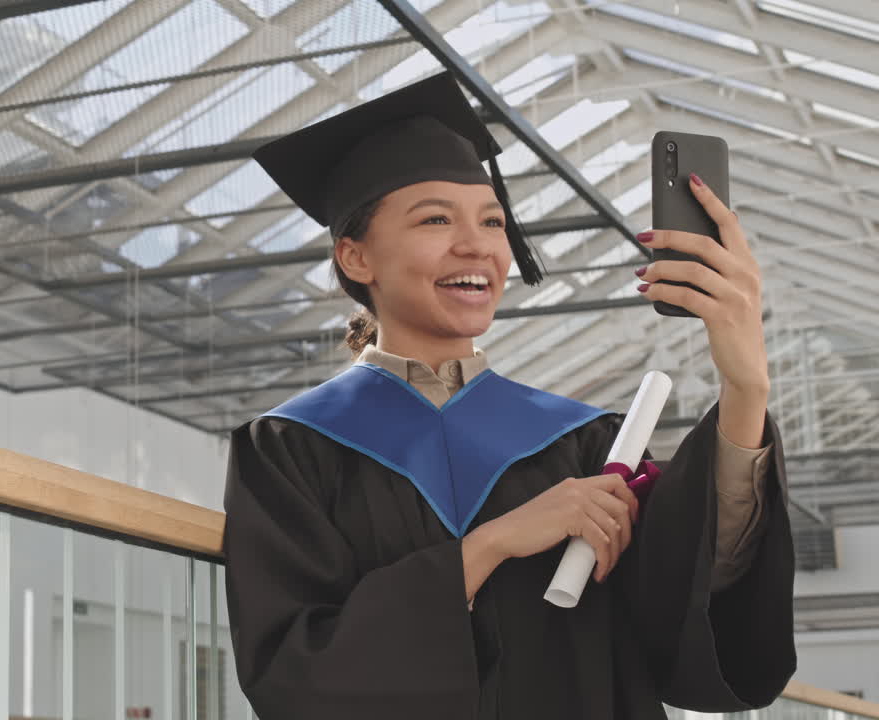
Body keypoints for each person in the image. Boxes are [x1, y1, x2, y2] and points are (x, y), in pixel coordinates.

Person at [222, 71, 794, 720]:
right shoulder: (290, 451)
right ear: (356, 258)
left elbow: (684, 606)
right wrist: (491, 545)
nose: (477, 245)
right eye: (436, 218)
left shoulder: (584, 443)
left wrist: (745, 387)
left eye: (492, 222)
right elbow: (294, 676)